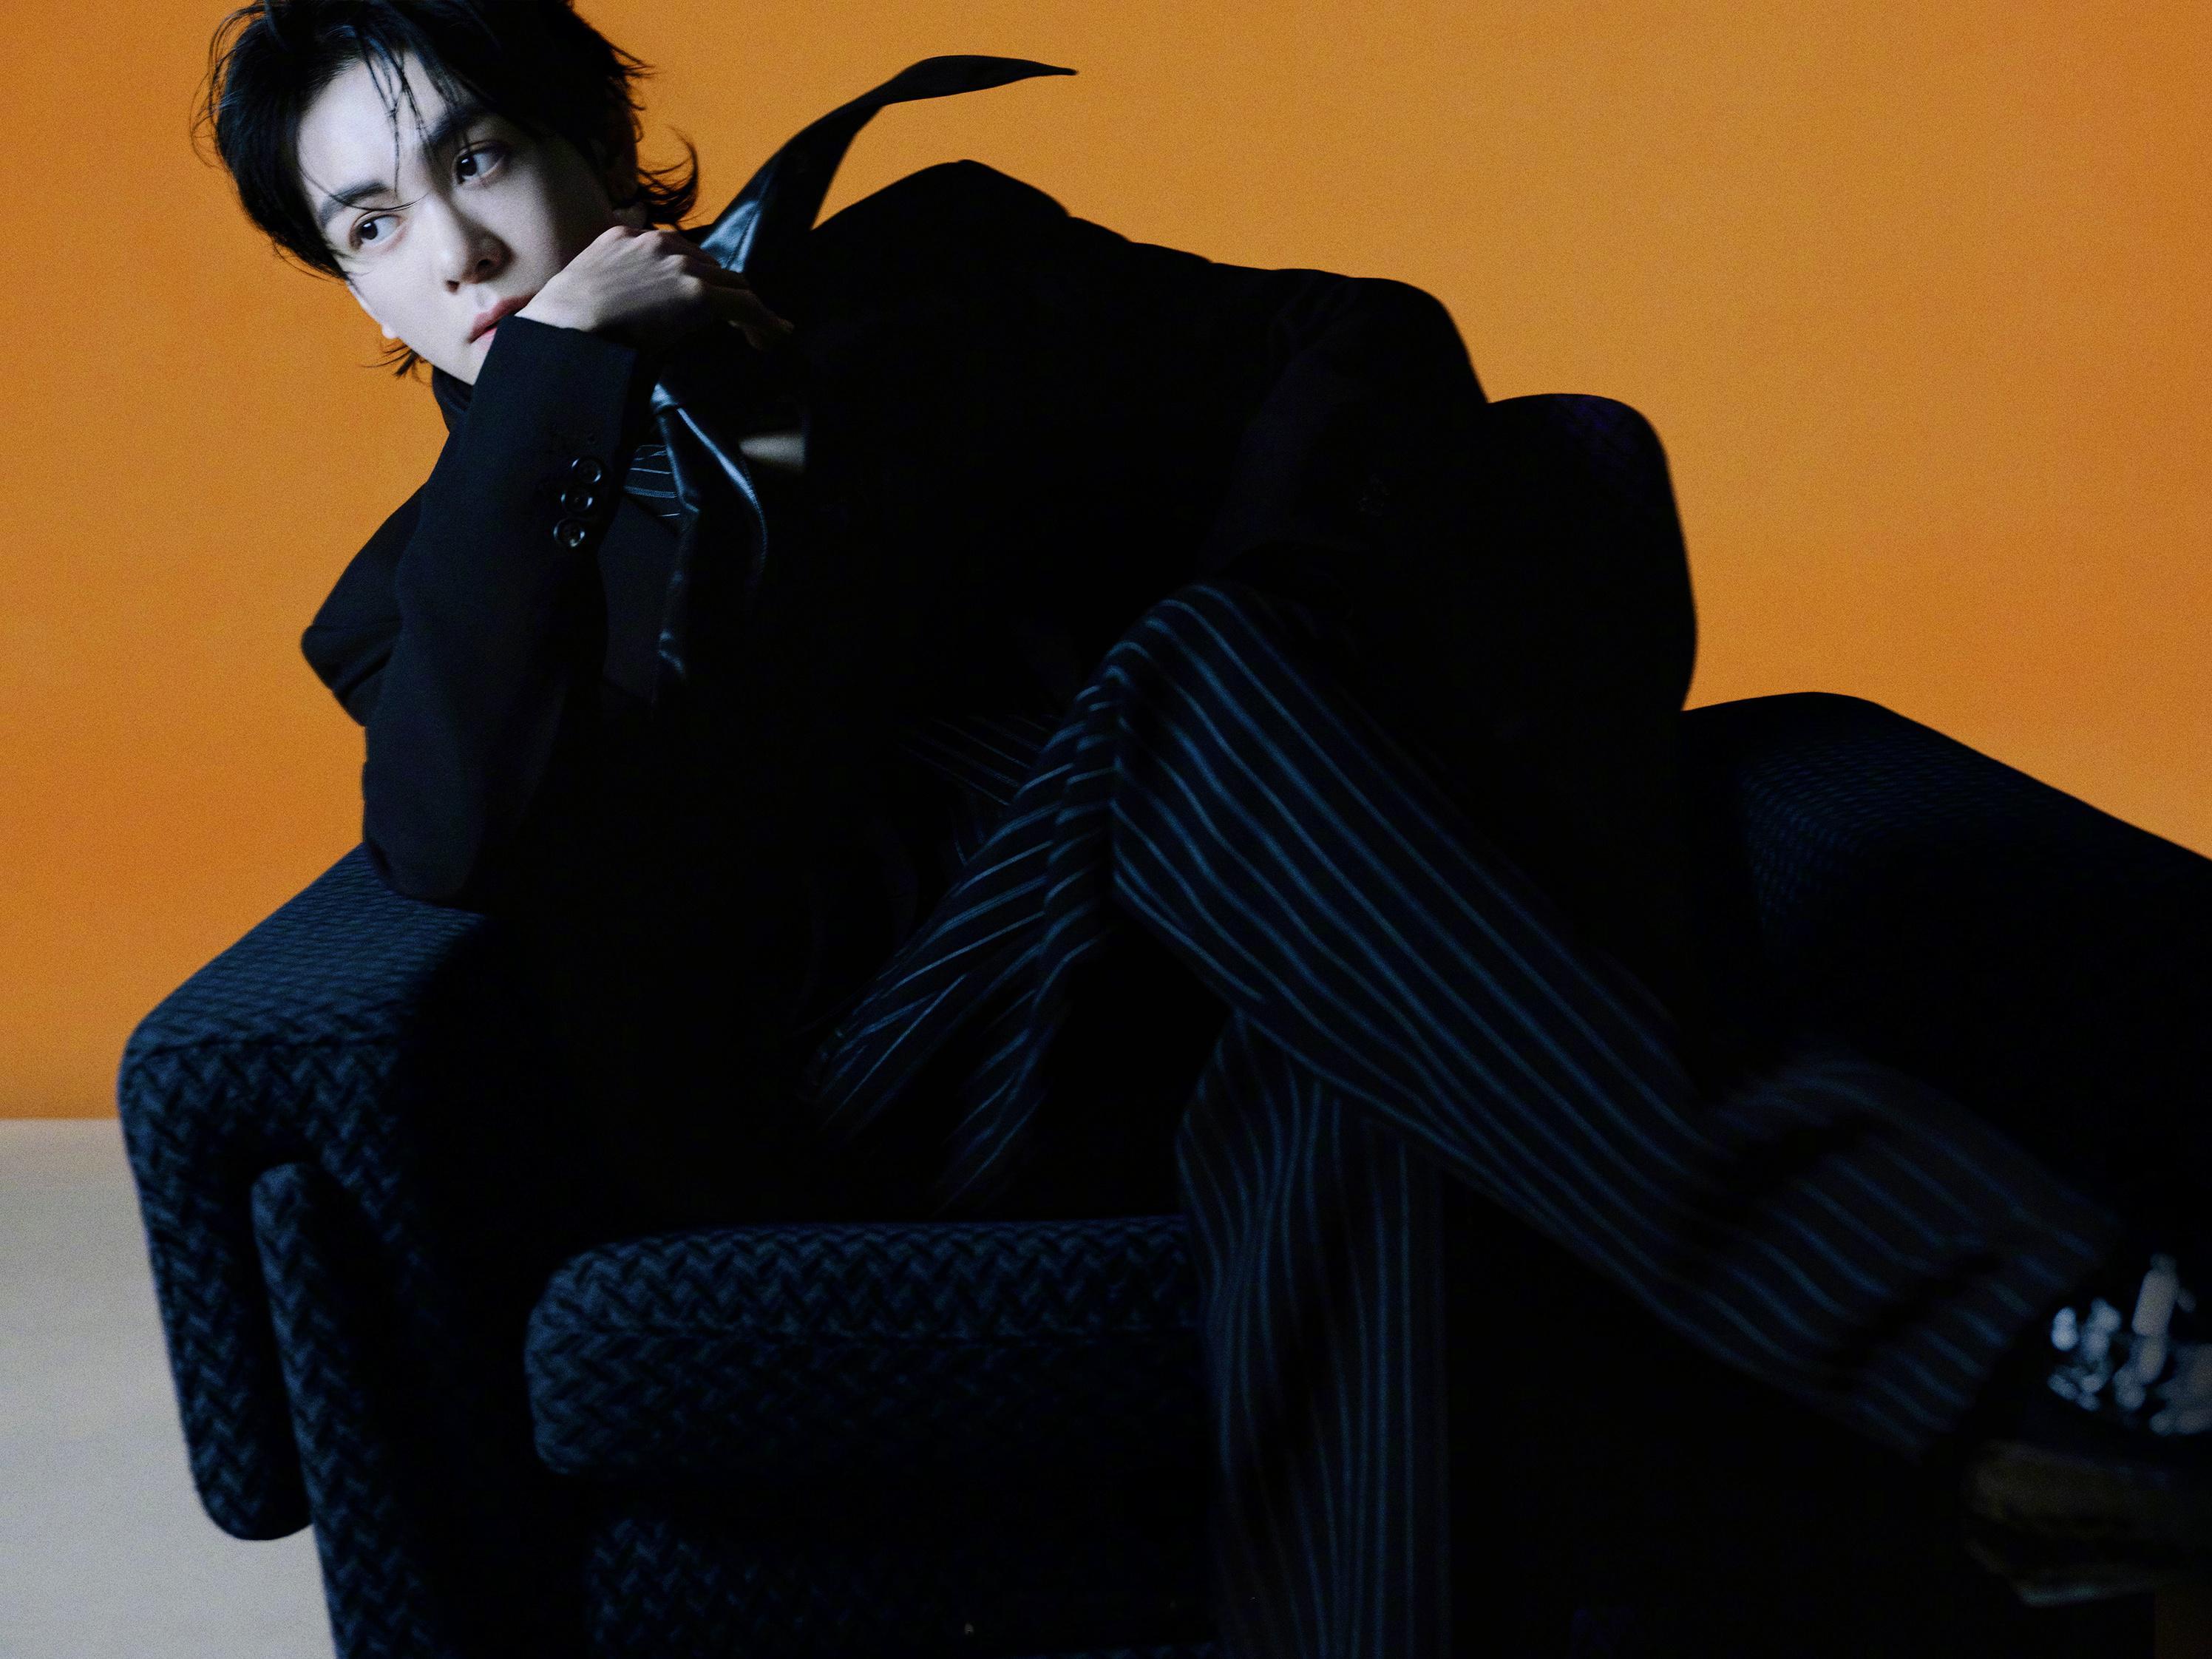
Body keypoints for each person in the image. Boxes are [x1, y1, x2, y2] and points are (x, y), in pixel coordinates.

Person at [202, 0, 2208, 1650]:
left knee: (1332, 1055)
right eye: (371, 223)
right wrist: (557, 396)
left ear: (590, 140)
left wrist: (1306, 677)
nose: (454, 251)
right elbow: (451, 840)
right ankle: (2039, 1346)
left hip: (1255, 934)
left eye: (476, 157)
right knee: (1197, 690)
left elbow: (1356, 341)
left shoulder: (927, 270)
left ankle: (2043, 1443)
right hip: (905, 1081)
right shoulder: (420, 604)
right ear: (346, 280)